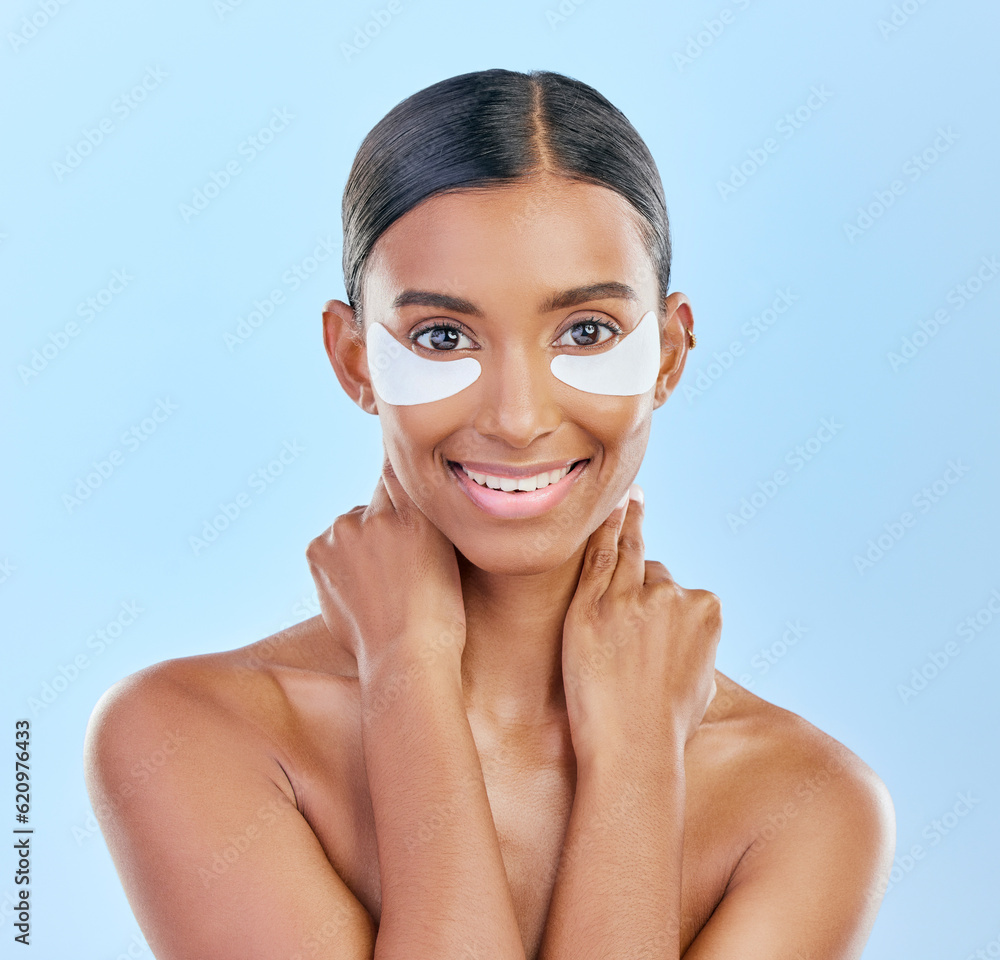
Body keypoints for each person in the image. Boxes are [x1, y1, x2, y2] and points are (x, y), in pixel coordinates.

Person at [84, 68, 895, 960]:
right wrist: (407, 672)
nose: (516, 417)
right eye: (443, 336)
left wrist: (634, 761)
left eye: (586, 331)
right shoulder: (187, 734)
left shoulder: (808, 805)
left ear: (669, 354)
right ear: (355, 360)